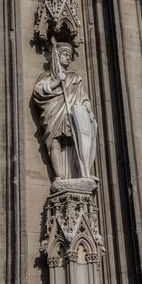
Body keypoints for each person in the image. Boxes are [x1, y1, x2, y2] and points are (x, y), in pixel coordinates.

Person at [34, 41, 97, 180]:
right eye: (65, 54)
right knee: (54, 141)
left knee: (76, 141)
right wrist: (56, 81)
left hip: (71, 114)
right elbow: (38, 91)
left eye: (70, 55)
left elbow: (82, 97)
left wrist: (88, 109)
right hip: (54, 113)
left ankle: (81, 172)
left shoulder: (75, 77)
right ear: (57, 56)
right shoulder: (46, 77)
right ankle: (59, 177)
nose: (68, 57)